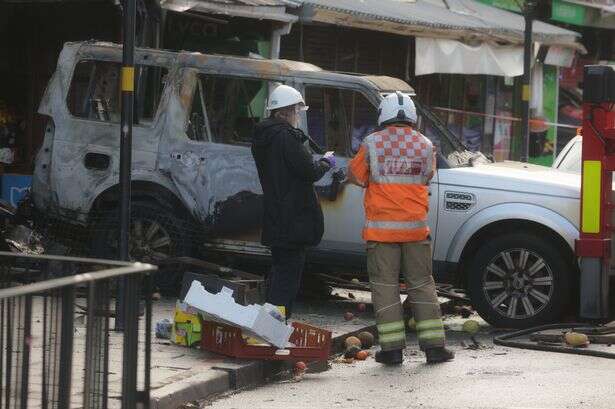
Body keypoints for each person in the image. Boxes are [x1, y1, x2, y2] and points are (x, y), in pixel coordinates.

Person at [348, 91, 454, 365]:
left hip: (382, 234)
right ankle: (434, 348)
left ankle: (392, 350)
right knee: (422, 285)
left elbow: (356, 176)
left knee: (385, 288)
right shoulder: (425, 145)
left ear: (383, 114)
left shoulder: (372, 143)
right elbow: (428, 175)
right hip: (415, 232)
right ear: (412, 116)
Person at [251, 84, 335, 318]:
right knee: (286, 279)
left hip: (277, 218)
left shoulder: (264, 136)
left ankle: (270, 324)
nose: (298, 115)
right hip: (293, 220)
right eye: (297, 110)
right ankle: (273, 326)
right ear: (286, 112)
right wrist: (327, 162)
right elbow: (309, 171)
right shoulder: (285, 138)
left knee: (278, 273)